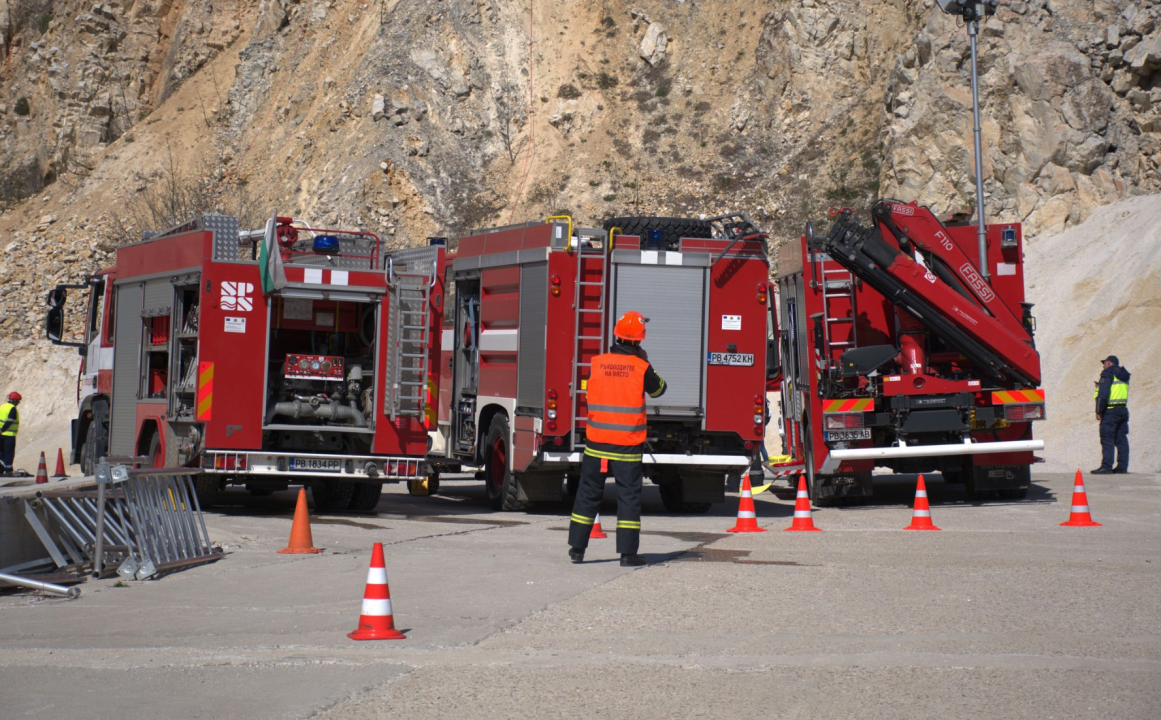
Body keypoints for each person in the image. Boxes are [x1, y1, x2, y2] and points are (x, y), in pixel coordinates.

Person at [568, 311, 666, 567]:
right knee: (628, 497)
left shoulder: (597, 362)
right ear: (640, 340)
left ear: (617, 334)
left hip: (597, 443)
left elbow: (590, 392)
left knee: (587, 494)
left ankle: (577, 549)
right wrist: (647, 363)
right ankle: (627, 554)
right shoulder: (641, 367)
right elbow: (659, 389)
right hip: (627, 445)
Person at [1091, 355, 1130, 475]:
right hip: (1122, 410)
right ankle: (1122, 467)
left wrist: (1099, 411)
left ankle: (1106, 466)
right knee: (1121, 439)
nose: (1103, 365)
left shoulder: (1107, 373)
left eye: (1104, 363)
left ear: (1109, 363)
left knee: (1107, 438)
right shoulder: (1124, 375)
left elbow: (1103, 395)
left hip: (1110, 411)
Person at [0, 391, 21, 476]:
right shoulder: (12, 408)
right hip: (9, 435)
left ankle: (4, 468)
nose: (18, 403)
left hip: (1, 435)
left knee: (1, 452)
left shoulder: (3, 407)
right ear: (14, 400)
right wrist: (3, 429)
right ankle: (8, 470)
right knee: (9, 453)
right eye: (18, 401)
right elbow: (10, 420)